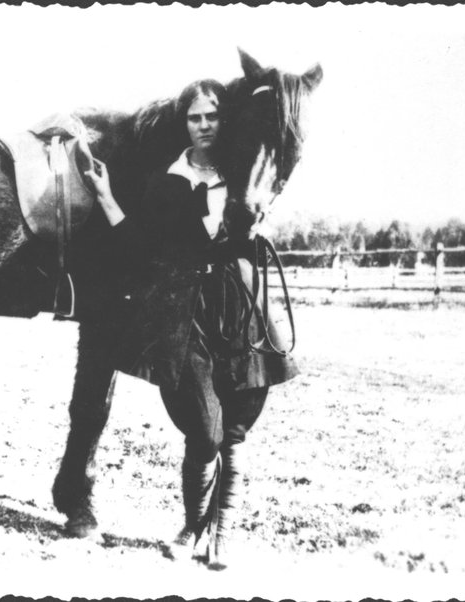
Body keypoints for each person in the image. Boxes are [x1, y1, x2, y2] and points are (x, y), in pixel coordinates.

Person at [82, 79, 299, 563]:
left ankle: (220, 534)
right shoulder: (165, 181)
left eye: (213, 116)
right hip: (184, 311)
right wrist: (105, 195)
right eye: (195, 117)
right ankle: (191, 526)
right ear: (185, 122)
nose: (204, 126)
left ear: (226, 121)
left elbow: (278, 164)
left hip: (241, 303)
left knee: (237, 427)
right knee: (204, 430)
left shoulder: (246, 171)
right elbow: (140, 245)